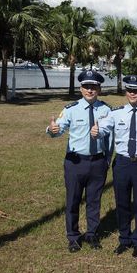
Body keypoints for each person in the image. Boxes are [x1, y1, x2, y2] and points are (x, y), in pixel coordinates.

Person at [94, 75, 137, 258]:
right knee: (122, 203)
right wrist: (97, 132)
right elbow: (104, 129)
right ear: (126, 92)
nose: (133, 93)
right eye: (130, 90)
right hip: (122, 163)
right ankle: (124, 239)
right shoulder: (116, 113)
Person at [46, 70, 112, 253]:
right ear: (81, 88)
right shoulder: (70, 109)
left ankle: (92, 234)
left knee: (94, 201)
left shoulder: (106, 110)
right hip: (75, 162)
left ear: (99, 89)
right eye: (86, 87)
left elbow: (110, 139)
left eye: (94, 87)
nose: (90, 90)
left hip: (98, 162)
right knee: (73, 200)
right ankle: (73, 237)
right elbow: (58, 130)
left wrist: (107, 159)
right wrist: (52, 130)